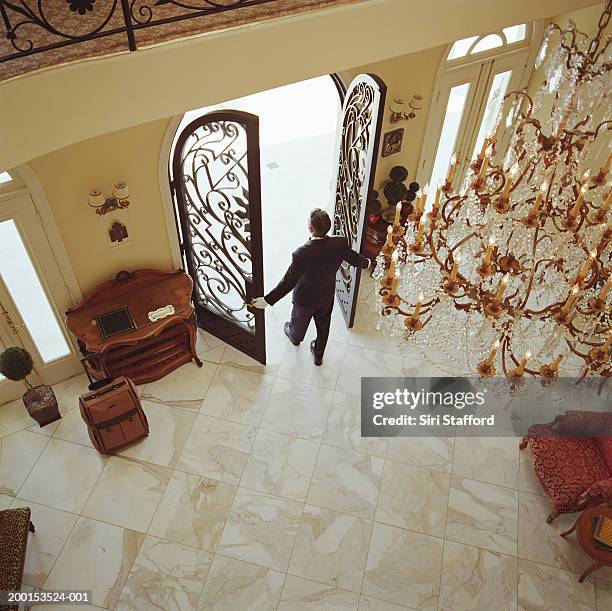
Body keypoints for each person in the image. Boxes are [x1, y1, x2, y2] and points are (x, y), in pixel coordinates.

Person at [251, 208, 370, 365]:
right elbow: (354, 259)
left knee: (298, 323)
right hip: (326, 296)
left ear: (310, 229)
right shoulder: (339, 243)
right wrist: (366, 263)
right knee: (323, 326)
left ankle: (295, 337)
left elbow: (287, 283)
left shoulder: (301, 254)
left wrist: (267, 300)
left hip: (305, 300)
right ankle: (318, 354)